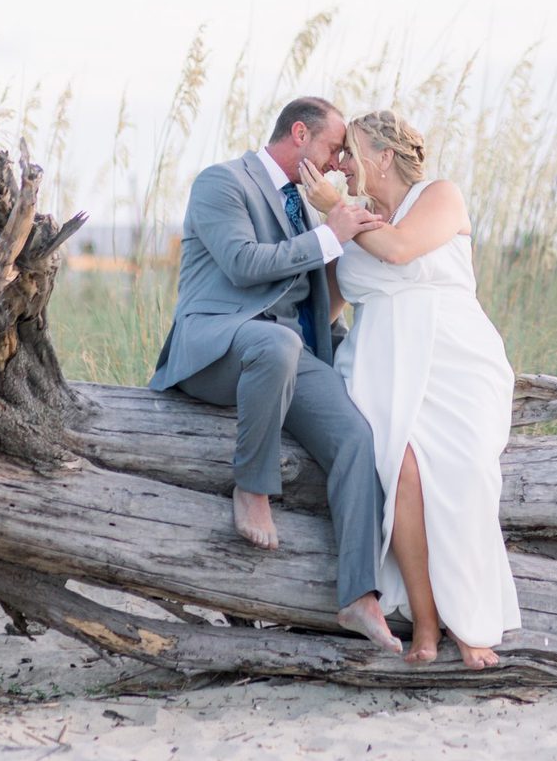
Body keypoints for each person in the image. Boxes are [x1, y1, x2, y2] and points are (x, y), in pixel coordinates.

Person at [148, 96, 404, 653]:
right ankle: (253, 487)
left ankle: (359, 595)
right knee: (276, 343)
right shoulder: (221, 183)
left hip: (287, 353)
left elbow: (314, 302)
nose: (339, 163)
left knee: (355, 437)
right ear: (299, 134)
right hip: (218, 348)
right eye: (335, 148)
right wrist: (327, 235)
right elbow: (243, 264)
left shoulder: (305, 207)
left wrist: (356, 242)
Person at [301, 109, 521, 669]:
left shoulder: (440, 195)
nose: (341, 165)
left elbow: (399, 250)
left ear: (381, 155)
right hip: (379, 360)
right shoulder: (348, 219)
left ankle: (471, 623)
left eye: (349, 152)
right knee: (400, 471)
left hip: (454, 357)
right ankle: (425, 621)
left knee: (468, 469)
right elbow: (326, 305)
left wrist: (334, 209)